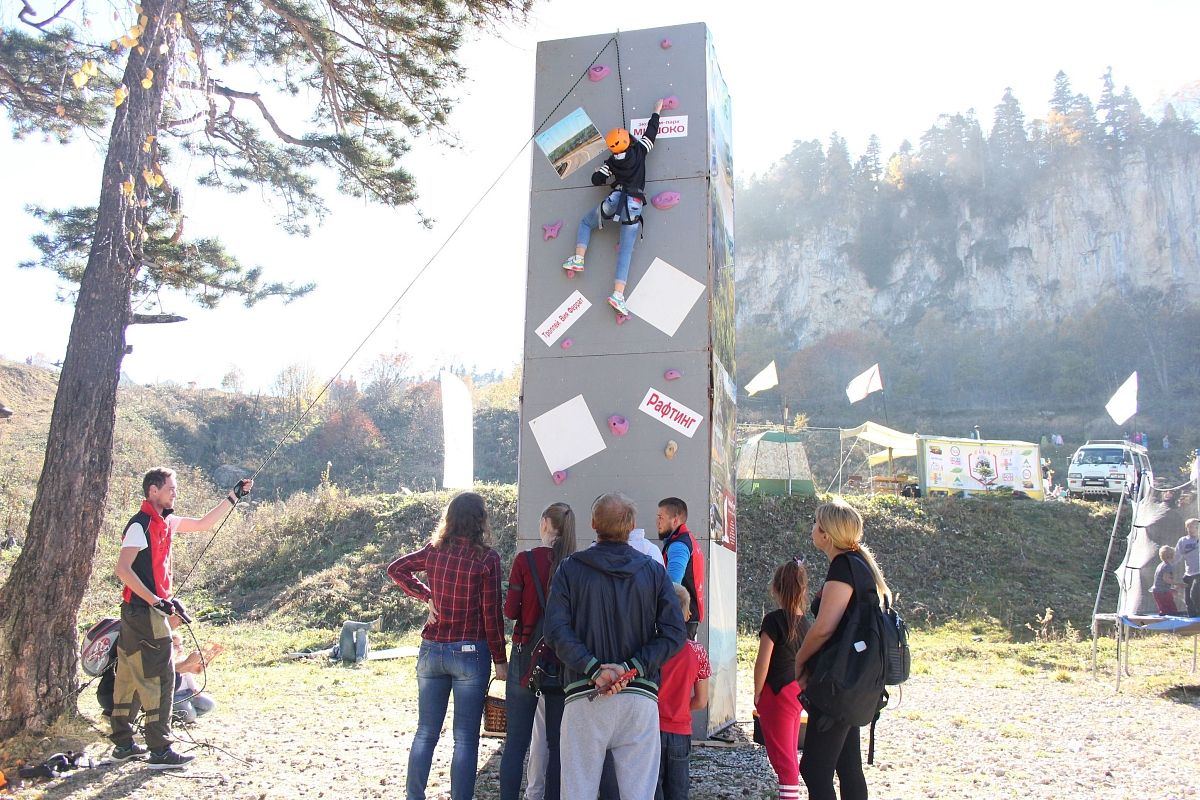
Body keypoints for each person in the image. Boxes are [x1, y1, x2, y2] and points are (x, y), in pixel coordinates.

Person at [544, 492, 686, 800]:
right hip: (639, 695)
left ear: (593, 523)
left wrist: (593, 668)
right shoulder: (653, 571)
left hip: (585, 694)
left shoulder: (569, 569)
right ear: (633, 525)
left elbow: (555, 630)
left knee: (577, 791)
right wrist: (631, 667)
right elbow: (675, 633)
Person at [109, 468, 252, 769]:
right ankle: (160, 750)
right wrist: (156, 601)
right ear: (153, 491)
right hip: (144, 612)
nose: (175, 493)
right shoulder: (140, 525)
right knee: (161, 677)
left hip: (138, 612)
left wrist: (233, 496)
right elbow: (123, 570)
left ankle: (123, 744)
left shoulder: (167, 521)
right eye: (170, 489)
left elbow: (203, 524)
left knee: (129, 676)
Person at [387, 492, 508, 800]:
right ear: (481, 520)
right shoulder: (487, 559)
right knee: (465, 738)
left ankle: (414, 795)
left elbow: (396, 568)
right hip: (469, 651)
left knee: (426, 731)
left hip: (432, 648)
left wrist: (426, 595)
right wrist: (500, 659)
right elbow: (491, 613)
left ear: (449, 519)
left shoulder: (434, 551)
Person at [794, 499, 890, 800]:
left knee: (814, 769)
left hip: (839, 681)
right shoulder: (859, 565)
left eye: (815, 523)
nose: (812, 528)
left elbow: (824, 627)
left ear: (826, 533)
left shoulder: (843, 567)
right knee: (848, 765)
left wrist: (799, 660)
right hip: (857, 679)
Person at [500, 503, 577, 800]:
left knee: (516, 743)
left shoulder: (525, 560)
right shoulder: (575, 563)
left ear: (545, 523)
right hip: (562, 659)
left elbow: (510, 611)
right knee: (557, 745)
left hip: (525, 655)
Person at [562, 98, 666, 315]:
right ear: (628, 140)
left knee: (585, 223)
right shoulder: (640, 151)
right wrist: (656, 111)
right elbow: (651, 133)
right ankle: (618, 295)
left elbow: (596, 179)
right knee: (625, 252)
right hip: (634, 206)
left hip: (615, 201)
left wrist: (604, 175)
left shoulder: (611, 162)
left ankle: (579, 259)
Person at [754, 559, 811, 800]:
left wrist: (757, 692)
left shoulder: (774, 620)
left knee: (784, 760)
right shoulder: (806, 624)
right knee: (788, 753)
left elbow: (763, 662)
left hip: (775, 693)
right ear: (803, 590)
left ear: (776, 588)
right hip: (796, 691)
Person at [655, 584, 711, 800]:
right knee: (678, 791)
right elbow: (701, 701)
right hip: (680, 731)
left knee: (651, 789)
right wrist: (678, 707)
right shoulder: (698, 652)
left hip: (651, 728)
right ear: (687, 615)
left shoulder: (652, 648)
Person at [657, 497, 705, 640]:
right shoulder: (688, 540)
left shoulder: (678, 546)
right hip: (687, 617)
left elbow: (673, 585)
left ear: (675, 520)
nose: (657, 522)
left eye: (661, 517)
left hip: (680, 618)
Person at [170, 622, 220, 724]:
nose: (179, 648)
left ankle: (187, 713)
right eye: (175, 646)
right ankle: (177, 715)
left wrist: (195, 689)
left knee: (210, 705)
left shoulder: (185, 659)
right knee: (190, 717)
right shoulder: (169, 662)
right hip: (175, 695)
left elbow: (189, 677)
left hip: (188, 692)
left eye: (180, 645)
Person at [1173, 518, 1200, 617]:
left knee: (1195, 594)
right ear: (1187, 528)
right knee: (1188, 598)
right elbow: (1177, 556)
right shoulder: (1183, 541)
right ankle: (1192, 617)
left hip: (1199, 572)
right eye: (1191, 527)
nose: (1193, 529)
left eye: (1196, 527)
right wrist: (1168, 566)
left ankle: (1198, 614)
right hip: (1188, 572)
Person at [1152, 546, 1179, 616]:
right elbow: (1166, 579)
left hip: (1157, 591)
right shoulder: (1167, 566)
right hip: (1162, 592)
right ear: (1172, 556)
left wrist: (1170, 589)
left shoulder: (1160, 565)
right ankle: (1171, 625)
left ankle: (1163, 625)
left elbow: (1160, 581)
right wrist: (1177, 584)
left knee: (1164, 610)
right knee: (1172, 610)